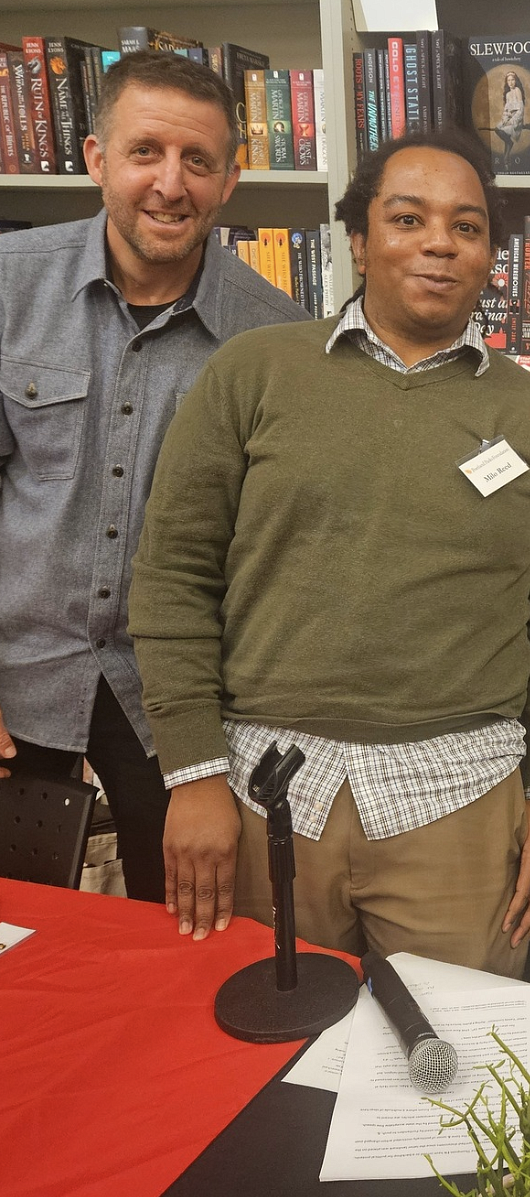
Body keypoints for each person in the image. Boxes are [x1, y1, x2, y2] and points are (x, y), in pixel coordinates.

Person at [128, 130, 530, 976]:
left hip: (460, 798)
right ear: (358, 238)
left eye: (467, 226)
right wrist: (191, 772)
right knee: (262, 1067)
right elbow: (173, 577)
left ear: (491, 253)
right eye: (407, 218)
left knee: (450, 1078)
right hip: (262, 793)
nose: (438, 244)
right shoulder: (253, 374)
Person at [0, 50, 307, 901]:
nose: (170, 185)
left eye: (198, 162)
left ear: (229, 182)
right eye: (145, 153)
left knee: (182, 937)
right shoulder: (7, 288)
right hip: (18, 683)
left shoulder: (274, 341)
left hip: (173, 709)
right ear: (97, 158)